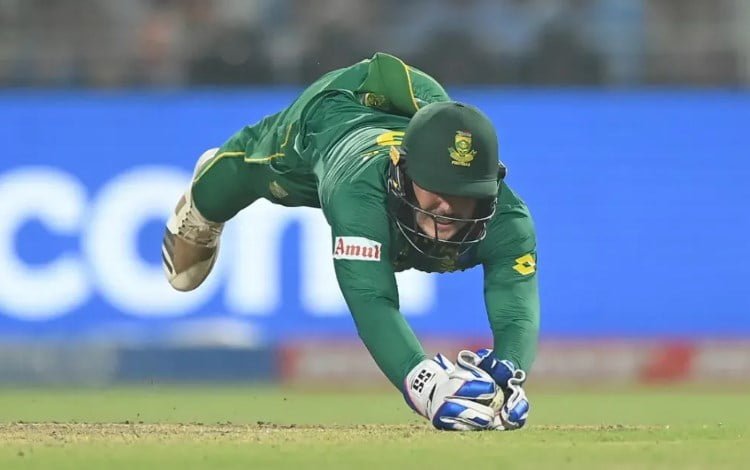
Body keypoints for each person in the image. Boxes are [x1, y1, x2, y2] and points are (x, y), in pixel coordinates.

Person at [162, 53, 538, 431]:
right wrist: (427, 385)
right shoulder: (359, 195)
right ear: (403, 172)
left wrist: (509, 372)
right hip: (330, 121)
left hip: (398, 130)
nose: (448, 207)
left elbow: (515, 308)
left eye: (464, 193)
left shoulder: (509, 220)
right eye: (436, 187)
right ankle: (203, 201)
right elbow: (372, 301)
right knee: (252, 173)